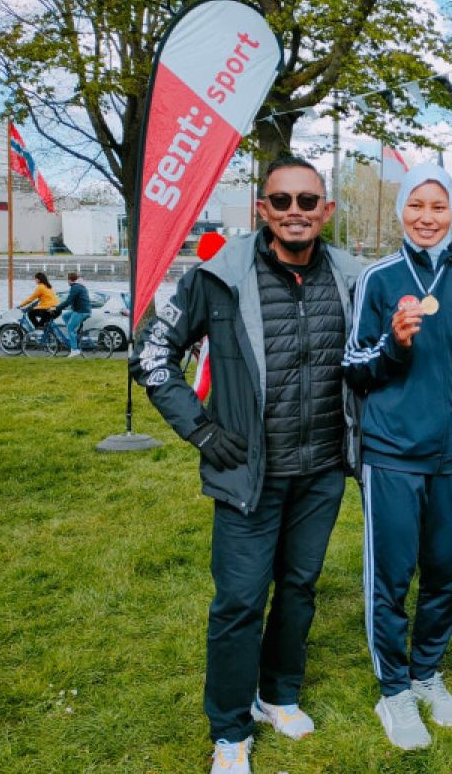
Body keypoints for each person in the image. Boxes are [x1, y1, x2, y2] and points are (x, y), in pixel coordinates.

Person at [130, 155, 362, 774]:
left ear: (326, 211)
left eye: (307, 202)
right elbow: (153, 355)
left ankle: (278, 693)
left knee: (299, 588)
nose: (295, 212)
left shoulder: (353, 277)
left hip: (320, 472)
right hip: (246, 476)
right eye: (281, 201)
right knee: (238, 601)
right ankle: (230, 729)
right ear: (262, 208)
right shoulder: (217, 276)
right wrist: (201, 429)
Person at [342, 163, 452, 750]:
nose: (428, 217)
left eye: (439, 206)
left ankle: (427, 672)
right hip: (394, 453)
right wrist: (393, 345)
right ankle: (394, 688)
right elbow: (353, 366)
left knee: (445, 573)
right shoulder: (377, 279)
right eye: (417, 206)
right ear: (401, 211)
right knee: (392, 575)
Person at [53, 272, 91, 357]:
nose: (67, 281)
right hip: (81, 310)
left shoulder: (75, 287)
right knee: (65, 316)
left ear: (69, 280)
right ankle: (73, 336)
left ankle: (74, 350)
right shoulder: (79, 286)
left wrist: (56, 308)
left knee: (70, 327)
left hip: (81, 311)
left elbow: (68, 301)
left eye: (67, 279)